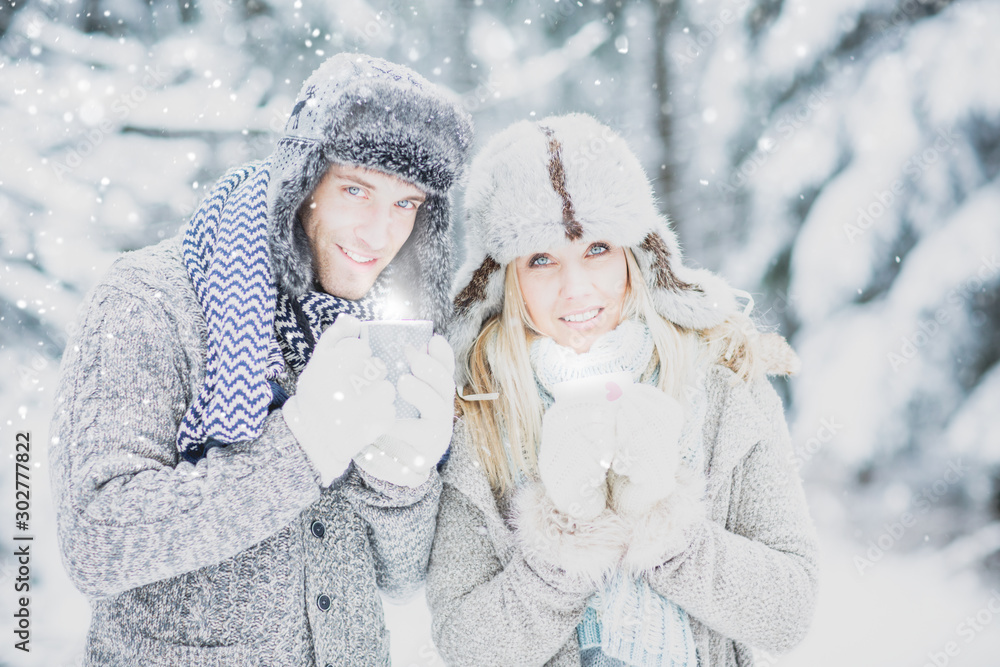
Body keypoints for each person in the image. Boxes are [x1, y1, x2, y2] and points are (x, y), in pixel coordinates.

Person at [48, 53, 472, 666]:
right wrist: (302, 448)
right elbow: (96, 542)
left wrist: (403, 480)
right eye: (356, 189)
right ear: (303, 182)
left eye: (406, 204)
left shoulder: (379, 330)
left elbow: (399, 579)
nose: (380, 234)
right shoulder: (149, 300)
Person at [426, 114, 818, 666]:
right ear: (503, 278)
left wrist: (665, 528)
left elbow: (789, 609)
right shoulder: (476, 413)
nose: (576, 288)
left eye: (597, 249)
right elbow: (466, 645)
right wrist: (565, 545)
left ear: (638, 253)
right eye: (541, 259)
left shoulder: (723, 381)